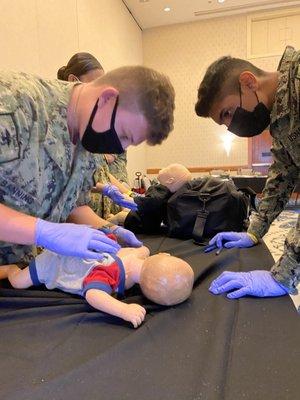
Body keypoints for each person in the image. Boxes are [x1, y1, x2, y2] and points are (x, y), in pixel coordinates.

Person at [0, 65, 175, 265]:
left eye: (130, 142)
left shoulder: (88, 140)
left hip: (18, 270)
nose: (120, 148)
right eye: (124, 134)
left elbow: (73, 207)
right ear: (107, 99)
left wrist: (110, 230)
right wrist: (44, 232)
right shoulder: (14, 101)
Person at [195, 45, 300, 299]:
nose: (231, 127)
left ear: (248, 81)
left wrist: (282, 275)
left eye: (228, 113)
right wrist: (255, 229)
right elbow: (282, 174)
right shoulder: (281, 112)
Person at [0, 245, 194, 328]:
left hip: (74, 252)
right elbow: (93, 295)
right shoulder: (109, 274)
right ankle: (10, 269)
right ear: (147, 288)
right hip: (55, 263)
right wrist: (123, 309)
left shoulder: (136, 255)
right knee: (18, 282)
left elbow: (144, 249)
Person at [57, 52, 132, 217]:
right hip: (72, 218)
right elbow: (61, 184)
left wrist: (129, 194)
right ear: (72, 81)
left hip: (97, 212)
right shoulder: (59, 123)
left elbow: (100, 172)